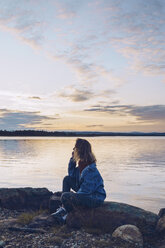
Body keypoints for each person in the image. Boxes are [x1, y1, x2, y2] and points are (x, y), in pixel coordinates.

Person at [51, 138, 106, 224]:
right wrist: (73, 160)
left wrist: (73, 197)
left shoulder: (90, 170)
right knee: (67, 179)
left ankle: (68, 216)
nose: (73, 150)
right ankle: (64, 209)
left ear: (80, 150)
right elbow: (71, 175)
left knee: (65, 196)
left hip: (94, 198)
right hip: (87, 194)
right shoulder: (81, 164)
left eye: (75, 148)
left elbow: (87, 190)